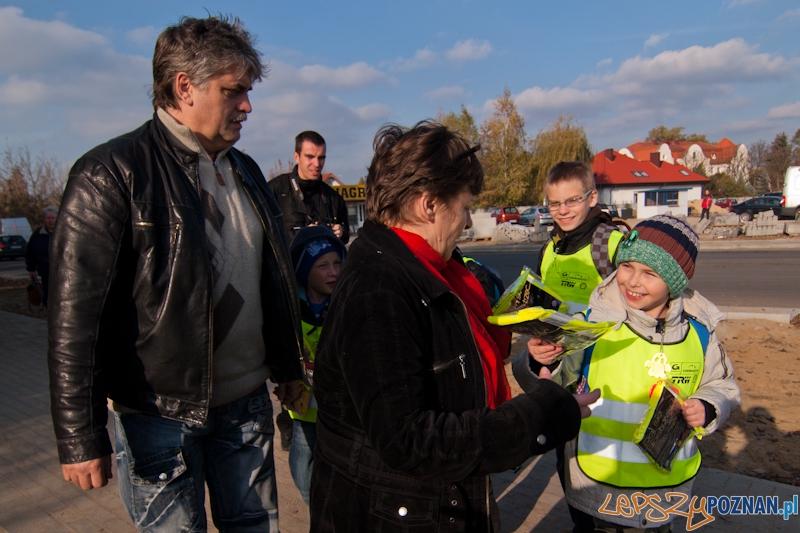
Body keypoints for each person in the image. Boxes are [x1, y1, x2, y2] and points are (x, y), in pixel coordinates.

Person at [47, 15, 303, 533]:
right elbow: (76, 320)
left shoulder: (247, 171)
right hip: (158, 417)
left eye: (248, 92)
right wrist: (80, 437)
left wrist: (289, 366)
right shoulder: (110, 174)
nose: (247, 106)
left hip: (245, 408)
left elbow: (271, 280)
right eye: (234, 91)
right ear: (184, 87)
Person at [309, 121, 600, 532]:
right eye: (463, 207)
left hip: (431, 502)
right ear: (429, 205)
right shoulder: (379, 288)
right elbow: (409, 439)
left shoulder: (422, 267)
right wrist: (539, 414)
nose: (466, 222)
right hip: (397, 513)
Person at [513, 215, 741, 532]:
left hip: (666, 491)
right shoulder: (592, 323)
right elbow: (551, 384)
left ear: (675, 281)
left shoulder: (699, 335)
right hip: (597, 487)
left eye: (650, 273)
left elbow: (723, 386)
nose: (633, 281)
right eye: (626, 266)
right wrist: (542, 360)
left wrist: (708, 405)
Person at [286, 225, 345, 505]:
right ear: (302, 271)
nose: (333, 272)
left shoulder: (347, 304)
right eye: (322, 265)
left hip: (340, 412)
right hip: (303, 412)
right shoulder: (289, 309)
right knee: (302, 470)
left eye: (337, 263)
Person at [537, 161, 625, 313]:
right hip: (556, 337)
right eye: (554, 203)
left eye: (572, 200)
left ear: (592, 198)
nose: (563, 211)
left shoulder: (613, 244)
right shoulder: (548, 249)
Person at [268, 131, 350, 243]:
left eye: (321, 158)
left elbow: (346, 236)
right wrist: (303, 235)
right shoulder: (275, 190)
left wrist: (342, 232)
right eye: (310, 157)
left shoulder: (334, 198)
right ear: (296, 157)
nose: (317, 164)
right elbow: (265, 236)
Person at [26, 205, 57, 306]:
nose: (50, 220)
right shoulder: (37, 235)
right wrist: (31, 269)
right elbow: (30, 253)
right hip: (46, 272)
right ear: (44, 219)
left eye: (53, 218)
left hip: (63, 272)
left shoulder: (65, 233)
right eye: (48, 218)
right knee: (47, 298)